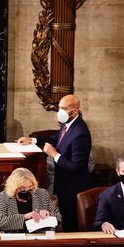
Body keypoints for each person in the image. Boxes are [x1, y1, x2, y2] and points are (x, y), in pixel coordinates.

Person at [37, 94, 92, 231]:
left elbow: (76, 166)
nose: (59, 111)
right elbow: (56, 139)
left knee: (72, 224)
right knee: (66, 220)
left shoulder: (80, 132)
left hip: (74, 187)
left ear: (74, 111)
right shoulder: (68, 125)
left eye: (63, 108)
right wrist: (32, 141)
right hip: (64, 185)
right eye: (59, 107)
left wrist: (54, 154)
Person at [0, 167, 61, 233]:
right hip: (13, 237)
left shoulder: (42, 193)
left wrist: (48, 214)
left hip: (39, 236)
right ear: (14, 187)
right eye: (23, 188)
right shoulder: (3, 196)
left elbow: (58, 217)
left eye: (30, 187)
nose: (27, 190)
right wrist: (25, 216)